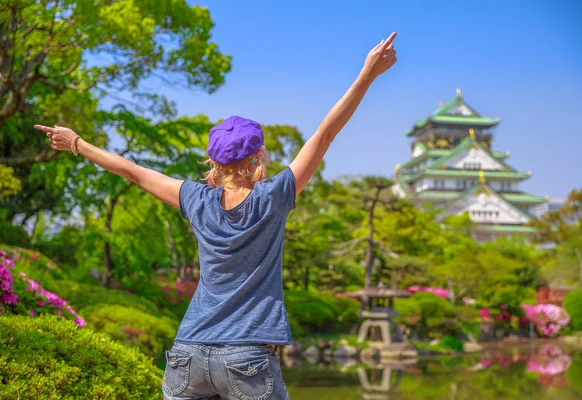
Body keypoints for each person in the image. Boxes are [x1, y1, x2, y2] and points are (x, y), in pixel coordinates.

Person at [35, 31, 397, 400]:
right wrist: (367, 73)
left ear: (214, 160)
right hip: (248, 357)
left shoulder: (195, 198)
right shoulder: (273, 196)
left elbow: (133, 171)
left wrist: (77, 143)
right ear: (257, 158)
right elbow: (325, 134)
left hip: (187, 352)